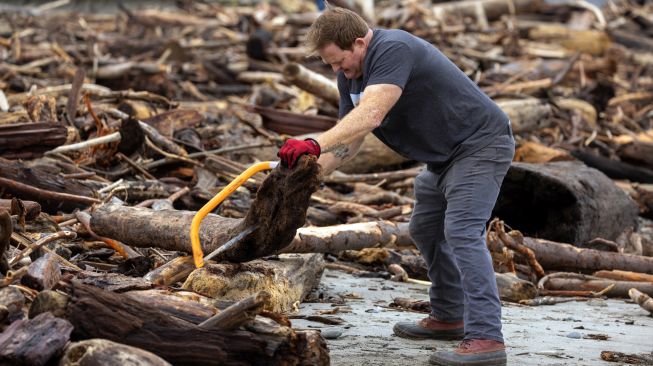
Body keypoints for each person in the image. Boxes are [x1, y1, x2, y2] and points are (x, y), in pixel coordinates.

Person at [277, 7, 514, 366]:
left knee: (463, 231)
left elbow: (371, 114)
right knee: (425, 228)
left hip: (480, 145)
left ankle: (487, 339)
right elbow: (351, 139)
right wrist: (309, 173)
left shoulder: (392, 49)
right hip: (442, 158)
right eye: (331, 66)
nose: (337, 71)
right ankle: (450, 316)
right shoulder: (350, 75)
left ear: (359, 42)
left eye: (339, 62)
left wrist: (313, 141)